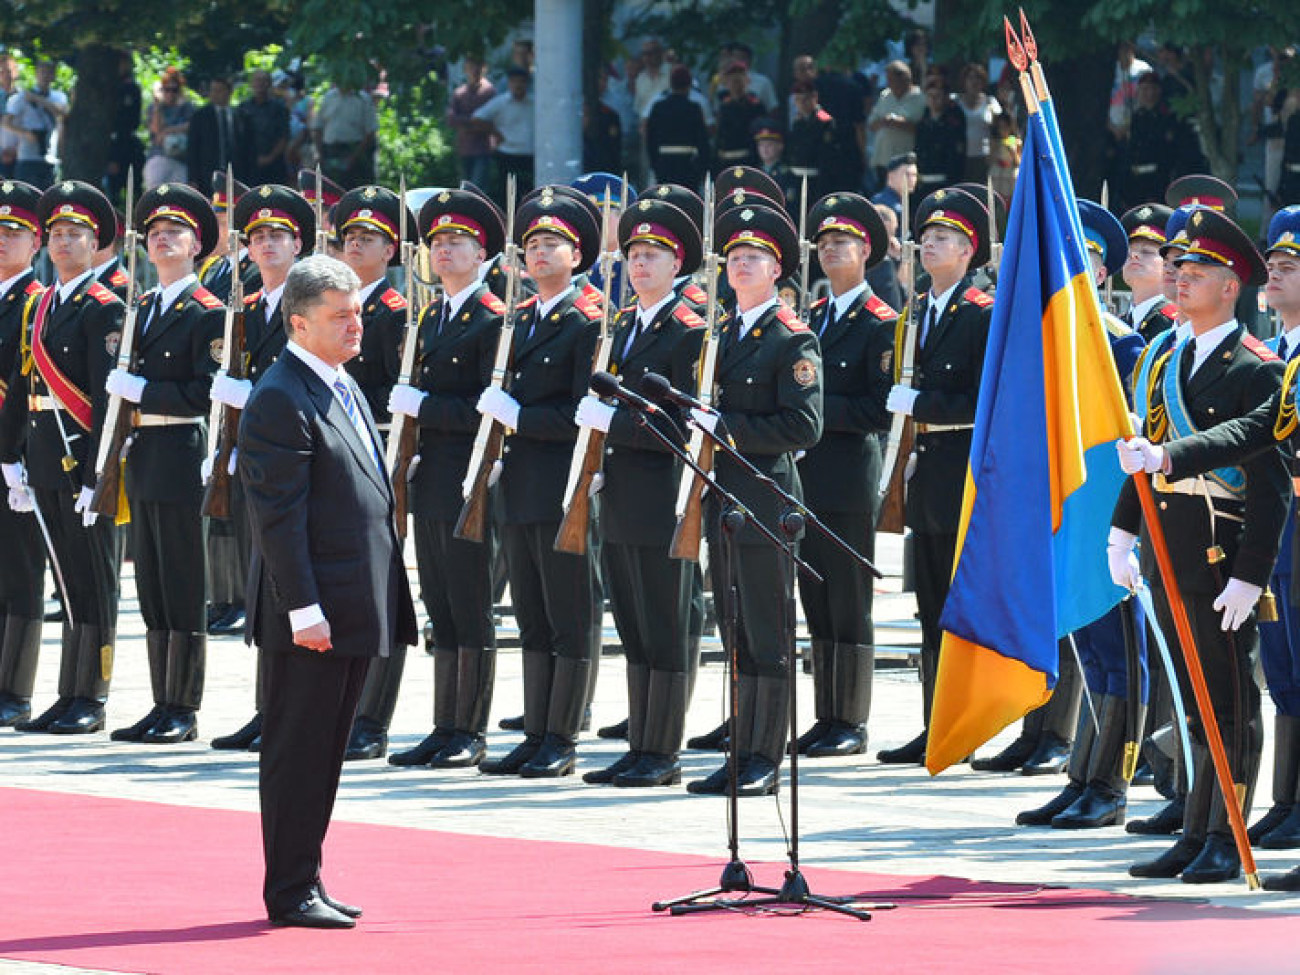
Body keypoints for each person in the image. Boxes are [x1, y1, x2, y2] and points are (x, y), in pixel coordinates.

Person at [1116, 205, 1300, 891]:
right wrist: (1123, 528)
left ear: (1233, 285)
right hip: (1175, 546)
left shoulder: (1255, 367)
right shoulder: (1167, 355)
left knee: (1229, 699)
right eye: (1178, 267)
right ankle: (1194, 827)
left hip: (1224, 547)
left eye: (1197, 270)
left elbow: (1267, 473)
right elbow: (1141, 453)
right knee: (1190, 698)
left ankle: (1226, 833)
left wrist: (1252, 574)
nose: (1181, 277)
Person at [240, 254, 416, 928]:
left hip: (350, 601)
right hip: (313, 609)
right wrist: (303, 610)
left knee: (324, 751)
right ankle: (288, 890)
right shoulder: (284, 394)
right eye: (340, 316)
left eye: (358, 313)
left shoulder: (337, 384)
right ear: (298, 321)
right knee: (298, 751)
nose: (355, 325)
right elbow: (278, 519)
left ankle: (306, 876)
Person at [1015, 200, 1148, 827]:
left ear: (1100, 275)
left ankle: (1112, 783)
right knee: (1086, 648)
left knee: (1120, 651)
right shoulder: (1041, 344)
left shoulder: (1124, 347)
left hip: (1106, 514)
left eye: (1079, 264)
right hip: (1061, 510)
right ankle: (1081, 775)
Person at [686, 198, 822, 797]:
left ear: (776, 270)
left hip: (765, 497)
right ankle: (741, 748)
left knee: (767, 630)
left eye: (753, 257)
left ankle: (766, 753)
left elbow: (804, 426)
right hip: (724, 497)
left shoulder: (791, 336)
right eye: (733, 256)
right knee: (735, 627)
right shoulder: (723, 332)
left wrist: (728, 426)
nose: (740, 265)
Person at [575, 197, 706, 788]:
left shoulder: (688, 331)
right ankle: (640, 743)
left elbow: (684, 425)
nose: (639, 265)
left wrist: (613, 426)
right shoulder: (623, 326)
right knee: (630, 619)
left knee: (665, 622)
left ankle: (664, 751)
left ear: (677, 264)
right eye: (633, 255)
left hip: (664, 495)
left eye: (652, 255)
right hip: (622, 491)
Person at [475, 187, 603, 779]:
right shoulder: (518, 319)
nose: (540, 253)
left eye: (553, 243)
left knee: (570, 611)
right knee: (530, 611)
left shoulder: (590, 321)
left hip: (563, 484)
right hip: (519, 483)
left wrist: (519, 417)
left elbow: (583, 412)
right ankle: (535, 730)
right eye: (532, 245)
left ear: (577, 255)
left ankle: (564, 735)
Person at [385, 188, 507, 770]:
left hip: (470, 477)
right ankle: (443, 724)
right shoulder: (431, 315)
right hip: (431, 473)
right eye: (437, 243)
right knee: (441, 604)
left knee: (470, 601)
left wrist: (423, 406)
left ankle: (471, 729)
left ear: (482, 252)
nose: (445, 251)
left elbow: (488, 408)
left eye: (457, 242)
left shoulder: (493, 319)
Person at [0, 181, 124, 733]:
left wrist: (100, 471)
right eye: (56, 234)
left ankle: (91, 696)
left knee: (94, 580)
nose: (63, 242)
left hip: (81, 460)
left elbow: (104, 400)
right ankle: (67, 693)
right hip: (44, 454)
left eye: (74, 234)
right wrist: (14, 457)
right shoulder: (46, 304)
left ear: (94, 241)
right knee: (70, 579)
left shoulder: (103, 307)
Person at [105, 183, 223, 744]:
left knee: (181, 580)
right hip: (143, 454)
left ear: (196, 244)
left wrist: (143, 391)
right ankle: (160, 701)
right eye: (154, 234)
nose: (162, 239)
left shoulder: (208, 312)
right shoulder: (143, 307)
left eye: (174, 232)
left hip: (179, 450)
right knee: (150, 583)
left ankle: (184, 706)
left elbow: (206, 393)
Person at [878, 187, 992, 765]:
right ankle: (933, 724)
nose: (930, 243)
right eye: (926, 235)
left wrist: (921, 403)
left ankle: (962, 725)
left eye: (944, 237)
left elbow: (984, 399)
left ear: (969, 250)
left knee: (958, 607)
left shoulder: (981, 314)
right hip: (925, 473)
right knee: (929, 609)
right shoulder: (919, 311)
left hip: (961, 472)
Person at [206, 184, 316, 752]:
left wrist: (253, 398)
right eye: (257, 237)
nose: (266, 244)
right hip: (254, 466)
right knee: (262, 595)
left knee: (291, 586)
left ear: (299, 244)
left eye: (278, 235)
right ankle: (265, 709)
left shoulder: (314, 305)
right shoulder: (243, 310)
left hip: (299, 466)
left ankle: (291, 712)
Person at [794, 192, 895, 758]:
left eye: (844, 243)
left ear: (866, 252)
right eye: (825, 242)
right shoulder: (811, 318)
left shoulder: (879, 321)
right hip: (808, 479)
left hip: (849, 474)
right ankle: (825, 713)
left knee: (849, 601)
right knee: (816, 598)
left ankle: (851, 719)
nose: (832, 250)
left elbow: (879, 409)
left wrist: (813, 409)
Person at [330, 184, 415, 761]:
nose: (356, 246)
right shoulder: (327, 309)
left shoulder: (393, 312)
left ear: (391, 252)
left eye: (370, 239)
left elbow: (392, 394)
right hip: (334, 461)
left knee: (381, 589)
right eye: (350, 238)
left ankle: (374, 717)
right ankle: (343, 707)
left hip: (379, 457)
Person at [0, 180, 48, 725]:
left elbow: (20, 383)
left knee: (19, 573)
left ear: (33, 243)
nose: (4, 240)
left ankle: (14, 689)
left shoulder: (35, 302)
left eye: (15, 232)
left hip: (12, 452)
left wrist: (10, 453)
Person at [473, 68, 535, 206]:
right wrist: (495, 132)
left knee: (531, 194)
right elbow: (477, 118)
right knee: (507, 196)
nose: (518, 85)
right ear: (509, 83)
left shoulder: (535, 103)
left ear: (527, 84)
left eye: (521, 82)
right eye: (514, 82)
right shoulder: (500, 102)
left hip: (531, 156)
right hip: (507, 155)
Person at [645, 65, 710, 191]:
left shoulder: (658, 107)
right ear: (689, 84)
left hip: (664, 163)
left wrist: (655, 164)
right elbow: (702, 141)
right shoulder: (694, 108)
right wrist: (702, 168)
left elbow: (650, 139)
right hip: (688, 165)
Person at [3, 60, 68, 190]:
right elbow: (5, 123)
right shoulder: (21, 97)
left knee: (48, 201)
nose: (45, 76)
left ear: (54, 75)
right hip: (27, 158)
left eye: (49, 72)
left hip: (50, 159)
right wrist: (26, 133)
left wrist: (36, 98)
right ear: (36, 74)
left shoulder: (59, 97)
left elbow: (62, 113)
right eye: (42, 72)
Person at [1119, 203, 1178, 342]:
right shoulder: (1117, 324)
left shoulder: (1175, 323)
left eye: (1147, 252)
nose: (1134, 256)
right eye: (1129, 253)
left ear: (1170, 263)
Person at [310, 81, 378, 190]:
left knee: (354, 191)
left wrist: (354, 157)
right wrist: (319, 153)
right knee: (329, 192)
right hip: (330, 151)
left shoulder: (363, 99)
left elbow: (370, 133)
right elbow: (318, 127)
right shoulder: (329, 97)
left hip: (354, 151)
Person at [868, 61, 925, 188]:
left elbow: (919, 128)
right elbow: (872, 124)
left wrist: (895, 122)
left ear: (904, 79)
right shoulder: (885, 95)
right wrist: (884, 122)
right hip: (883, 158)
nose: (888, 83)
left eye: (891, 79)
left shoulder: (920, 97)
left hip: (905, 161)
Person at [446, 57, 497, 189]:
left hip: (483, 148)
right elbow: (451, 119)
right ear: (465, 69)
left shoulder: (489, 92)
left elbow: (492, 122)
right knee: (463, 188)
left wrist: (465, 123)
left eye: (478, 66)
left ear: (484, 68)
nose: (474, 70)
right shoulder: (459, 93)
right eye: (471, 66)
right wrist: (473, 121)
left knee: (478, 188)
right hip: (464, 148)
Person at [187, 77, 241, 198]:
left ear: (229, 92)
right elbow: (193, 148)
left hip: (236, 174)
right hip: (207, 175)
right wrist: (193, 178)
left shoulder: (240, 116)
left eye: (220, 90)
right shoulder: (200, 116)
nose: (215, 94)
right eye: (213, 90)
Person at [142, 68, 195, 189]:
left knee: (179, 201)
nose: (170, 93)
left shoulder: (187, 107)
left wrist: (167, 131)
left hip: (180, 161)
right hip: (158, 157)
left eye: (174, 90)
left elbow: (191, 126)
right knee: (154, 198)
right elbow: (155, 130)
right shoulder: (154, 108)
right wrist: (157, 104)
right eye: (167, 89)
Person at [238, 70, 291, 187]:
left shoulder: (280, 108)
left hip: (275, 165)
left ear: (270, 84)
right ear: (252, 84)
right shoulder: (243, 108)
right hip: (249, 167)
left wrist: (269, 158)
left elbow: (284, 137)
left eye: (264, 80)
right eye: (257, 80)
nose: (260, 84)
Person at [105, 52, 144, 200]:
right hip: (112, 143)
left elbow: (133, 121)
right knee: (113, 190)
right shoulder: (109, 88)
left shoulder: (132, 88)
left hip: (129, 143)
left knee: (134, 188)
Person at [915, 80, 965, 193]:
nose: (933, 100)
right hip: (924, 180)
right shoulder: (922, 123)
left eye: (937, 96)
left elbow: (956, 157)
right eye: (930, 96)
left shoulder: (953, 123)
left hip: (945, 180)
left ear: (946, 98)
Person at [955, 64, 1000, 184]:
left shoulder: (991, 102)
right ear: (964, 81)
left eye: (978, 78)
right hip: (960, 158)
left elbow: (999, 131)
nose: (974, 81)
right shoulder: (955, 101)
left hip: (984, 158)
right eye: (970, 77)